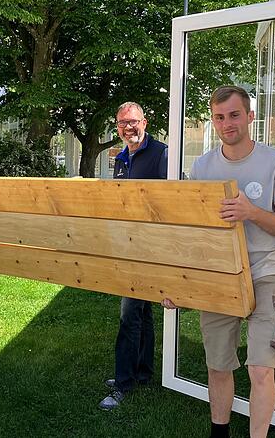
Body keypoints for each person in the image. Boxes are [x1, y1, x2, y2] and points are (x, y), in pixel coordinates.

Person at [161, 86, 275, 438]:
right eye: (220, 117)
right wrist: (179, 286)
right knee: (218, 366)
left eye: (235, 115)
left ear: (250, 116)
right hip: (220, 275)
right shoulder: (203, 166)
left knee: (260, 369)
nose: (227, 123)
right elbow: (191, 233)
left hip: (267, 273)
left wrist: (251, 212)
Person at [99, 102, 168, 410]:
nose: (128, 128)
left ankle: (122, 383)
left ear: (145, 121)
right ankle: (142, 373)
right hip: (128, 245)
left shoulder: (163, 154)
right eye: (122, 124)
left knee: (129, 315)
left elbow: (173, 201)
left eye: (133, 122)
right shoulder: (122, 157)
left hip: (150, 248)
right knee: (143, 313)